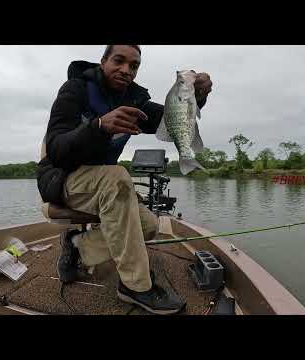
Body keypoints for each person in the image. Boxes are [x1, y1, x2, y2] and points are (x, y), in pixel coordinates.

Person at [37, 45, 212, 315]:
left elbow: (169, 118)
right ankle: (136, 286)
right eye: (119, 61)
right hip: (63, 177)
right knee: (118, 177)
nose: (126, 70)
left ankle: (77, 247)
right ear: (103, 61)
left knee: (151, 226)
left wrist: (195, 98)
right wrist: (98, 126)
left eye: (133, 66)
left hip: (104, 182)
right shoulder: (75, 90)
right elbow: (56, 149)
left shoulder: (134, 100)